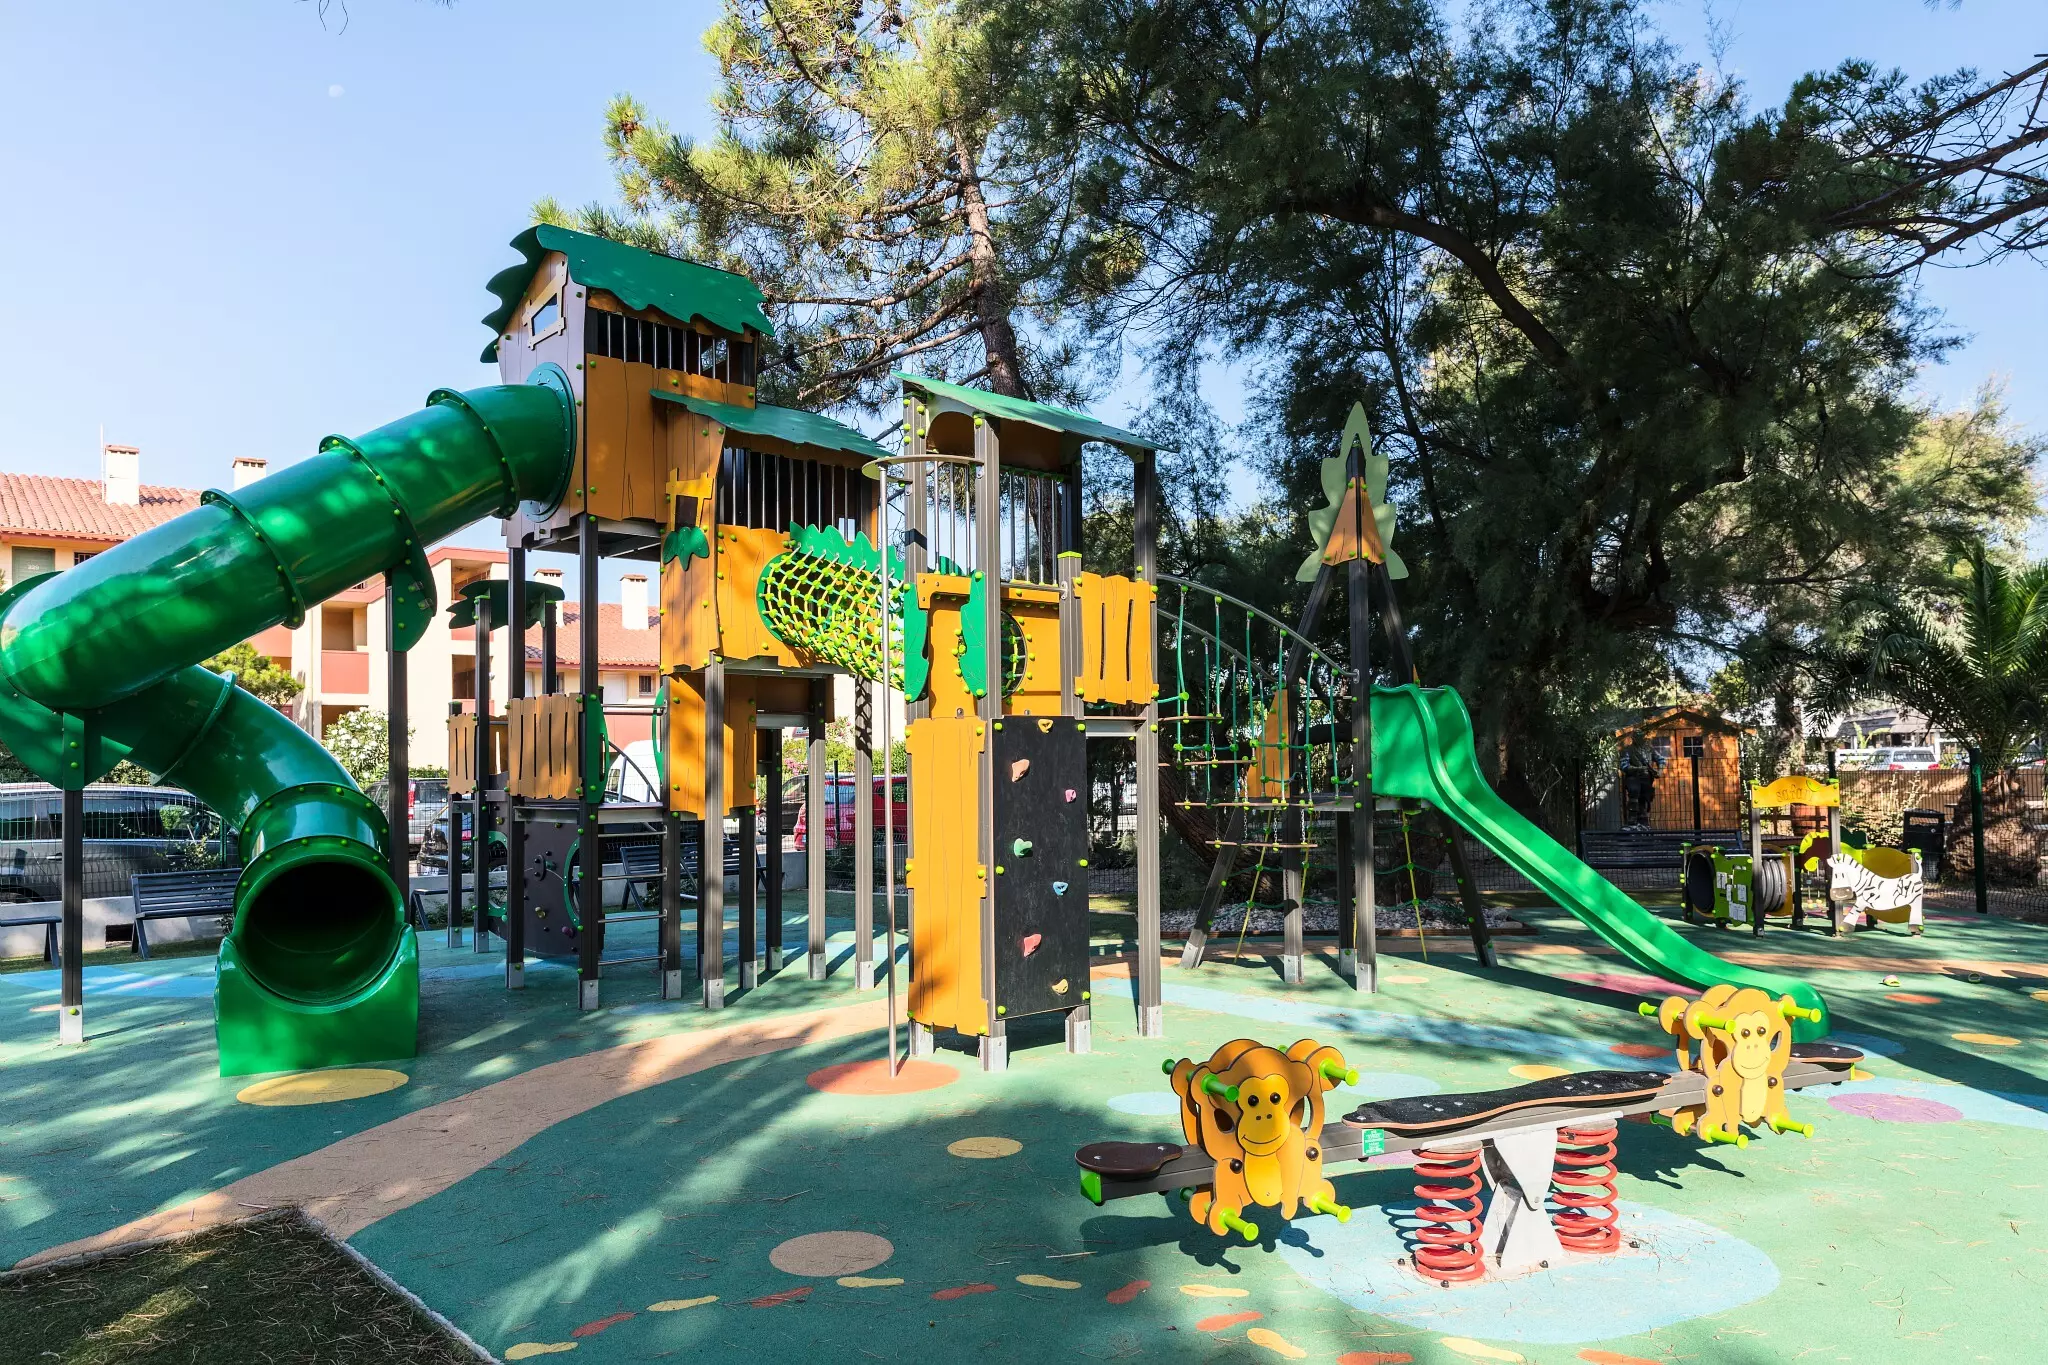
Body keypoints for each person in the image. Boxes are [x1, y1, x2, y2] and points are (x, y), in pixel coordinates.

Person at [1619, 735, 1662, 829]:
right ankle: (1632, 820)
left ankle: (1643, 821)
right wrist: (1638, 769)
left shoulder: (1649, 749)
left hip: (1646, 778)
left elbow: (1660, 759)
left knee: (1645, 798)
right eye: (1638, 738)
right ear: (1633, 739)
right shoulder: (1627, 750)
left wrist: (1660, 770)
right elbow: (1624, 766)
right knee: (1634, 792)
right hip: (1633, 777)